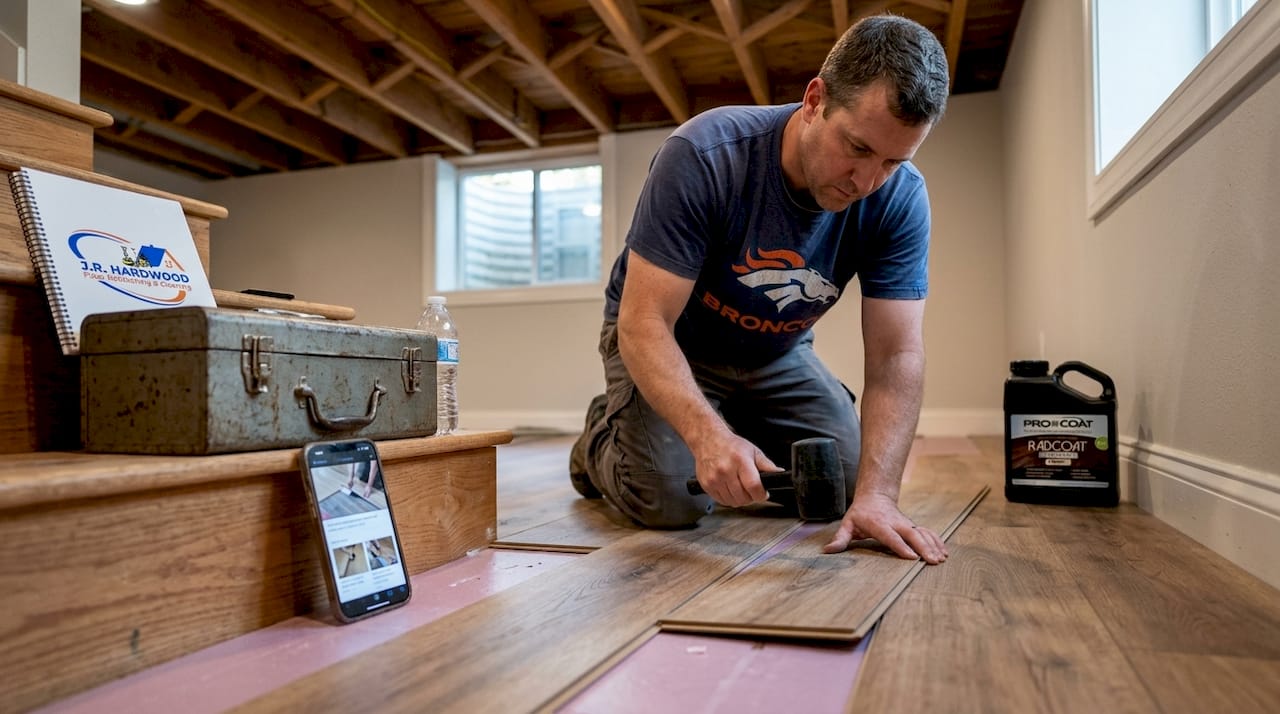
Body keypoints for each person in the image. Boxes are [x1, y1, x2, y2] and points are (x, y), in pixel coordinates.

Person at [569, 15, 951, 565]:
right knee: (668, 499)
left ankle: (724, 428)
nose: (867, 182)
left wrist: (879, 496)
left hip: (777, 352)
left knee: (841, 486)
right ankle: (600, 442)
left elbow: (896, 356)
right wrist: (706, 440)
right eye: (858, 148)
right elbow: (643, 322)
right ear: (815, 99)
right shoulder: (705, 155)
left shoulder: (900, 199)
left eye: (894, 161)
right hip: (673, 341)